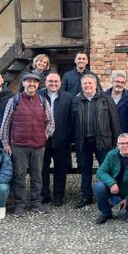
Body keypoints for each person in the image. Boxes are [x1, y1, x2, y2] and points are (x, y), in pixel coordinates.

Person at [0, 72, 55, 217]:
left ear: (38, 85)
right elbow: (5, 124)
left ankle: (36, 202)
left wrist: (44, 136)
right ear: (23, 83)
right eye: (29, 81)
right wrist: (5, 142)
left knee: (37, 176)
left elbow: (50, 122)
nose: (32, 84)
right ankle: (20, 204)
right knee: (19, 176)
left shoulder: (43, 101)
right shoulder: (15, 100)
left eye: (35, 82)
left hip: (38, 146)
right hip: (19, 146)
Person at [72, 74, 120, 209]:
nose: (87, 86)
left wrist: (116, 140)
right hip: (83, 141)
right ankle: (86, 196)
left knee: (106, 169)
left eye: (90, 83)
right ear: (81, 86)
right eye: (85, 83)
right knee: (85, 169)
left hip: (103, 140)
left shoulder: (106, 99)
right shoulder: (76, 101)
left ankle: (109, 195)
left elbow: (115, 121)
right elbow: (72, 122)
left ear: (95, 84)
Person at [94, 133, 128, 224]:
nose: (125, 145)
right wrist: (112, 183)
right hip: (115, 189)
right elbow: (100, 171)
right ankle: (106, 213)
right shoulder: (111, 155)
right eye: (121, 143)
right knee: (98, 186)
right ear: (117, 145)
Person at [40, 73, 74, 206]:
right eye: (50, 81)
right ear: (45, 82)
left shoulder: (68, 97)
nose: (53, 83)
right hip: (42, 139)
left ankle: (59, 195)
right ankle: (44, 194)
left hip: (61, 139)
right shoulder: (38, 95)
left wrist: (68, 135)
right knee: (43, 169)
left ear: (60, 83)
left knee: (61, 169)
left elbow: (72, 119)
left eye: (56, 81)